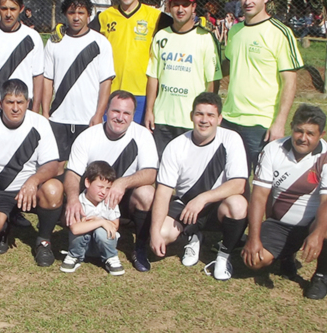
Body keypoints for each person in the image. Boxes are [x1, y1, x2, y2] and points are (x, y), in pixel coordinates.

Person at [241, 104, 327, 300]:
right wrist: (253, 238)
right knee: (253, 262)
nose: (303, 138)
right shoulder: (273, 150)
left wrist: (317, 234)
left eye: (310, 133)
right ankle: (286, 255)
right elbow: (259, 196)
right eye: (299, 130)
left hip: (313, 224)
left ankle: (320, 276)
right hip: (280, 224)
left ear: (322, 134)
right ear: (291, 127)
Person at [148, 92, 248, 277]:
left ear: (219, 119)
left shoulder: (231, 139)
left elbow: (239, 184)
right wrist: (154, 232)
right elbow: (163, 192)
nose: (204, 120)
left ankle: (223, 256)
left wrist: (203, 198)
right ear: (191, 116)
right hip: (186, 207)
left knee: (238, 204)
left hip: (217, 206)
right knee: (162, 233)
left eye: (210, 115)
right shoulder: (176, 146)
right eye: (199, 114)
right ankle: (193, 236)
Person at [0, 78, 63, 267]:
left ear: (28, 103)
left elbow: (52, 165)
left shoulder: (40, 123)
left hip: (30, 191)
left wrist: (33, 181)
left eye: (20, 102)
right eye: (10, 102)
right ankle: (4, 227)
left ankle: (43, 241)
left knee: (54, 189)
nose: (15, 108)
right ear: (0, 103)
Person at [65, 90, 159, 272]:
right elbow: (72, 173)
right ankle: (80, 246)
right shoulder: (88, 136)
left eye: (126, 113)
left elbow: (150, 173)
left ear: (133, 116)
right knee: (71, 204)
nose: (120, 117)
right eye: (116, 111)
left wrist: (122, 183)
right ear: (106, 110)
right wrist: (72, 200)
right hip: (93, 198)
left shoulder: (143, 135)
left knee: (147, 193)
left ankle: (139, 247)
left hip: (124, 197)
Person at [222, 0, 304, 172]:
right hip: (230, 118)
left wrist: (279, 122)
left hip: (261, 123)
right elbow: (225, 67)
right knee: (228, 180)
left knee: (262, 182)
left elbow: (289, 82)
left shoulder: (280, 33)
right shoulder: (235, 31)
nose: (248, 2)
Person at [144, 0, 222, 157]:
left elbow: (212, 81)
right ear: (169, 7)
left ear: (193, 7)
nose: (180, 9)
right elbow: (153, 77)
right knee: (162, 172)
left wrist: (207, 115)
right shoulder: (161, 36)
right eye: (176, 4)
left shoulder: (205, 38)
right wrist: (150, 110)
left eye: (185, 5)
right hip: (163, 118)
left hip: (191, 120)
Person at [90, 0, 171, 124]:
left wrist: (199, 23)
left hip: (141, 92)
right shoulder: (105, 16)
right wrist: (62, 29)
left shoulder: (155, 16)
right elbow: (83, 34)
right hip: (111, 91)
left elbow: (180, 27)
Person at [42, 0, 115, 163]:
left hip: (88, 118)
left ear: (89, 14)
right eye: (71, 13)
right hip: (59, 117)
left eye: (81, 13)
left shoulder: (100, 42)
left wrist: (99, 114)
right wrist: (45, 112)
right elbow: (47, 79)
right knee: (55, 166)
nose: (76, 17)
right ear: (65, 14)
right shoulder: (54, 42)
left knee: (89, 167)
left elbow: (106, 82)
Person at [61, 161, 125, 276]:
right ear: (87, 182)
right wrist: (100, 221)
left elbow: (115, 226)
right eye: (100, 187)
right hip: (83, 244)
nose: (103, 192)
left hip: (102, 244)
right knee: (81, 231)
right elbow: (75, 228)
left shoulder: (110, 201)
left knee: (102, 231)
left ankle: (110, 257)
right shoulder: (78, 202)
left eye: (108, 188)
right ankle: (74, 255)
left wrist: (100, 224)